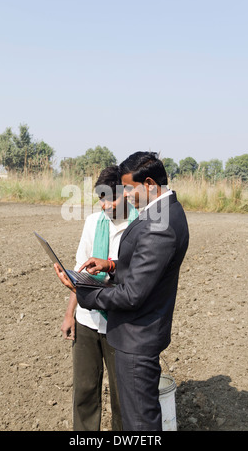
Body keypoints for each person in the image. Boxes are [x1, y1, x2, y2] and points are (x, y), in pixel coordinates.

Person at [55, 151, 189, 431]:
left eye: (127, 189)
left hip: (136, 338)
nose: (126, 195)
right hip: (131, 332)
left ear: (150, 184)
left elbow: (132, 294)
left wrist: (83, 293)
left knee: (138, 422)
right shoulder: (164, 213)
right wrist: (112, 265)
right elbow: (141, 266)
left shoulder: (158, 225)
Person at [57, 165, 138, 431]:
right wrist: (70, 314)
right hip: (87, 321)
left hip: (121, 325)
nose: (104, 205)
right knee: (84, 392)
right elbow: (81, 273)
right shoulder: (93, 222)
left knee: (121, 398)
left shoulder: (140, 227)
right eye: (100, 198)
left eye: (110, 198)